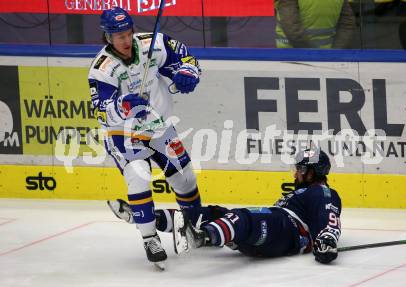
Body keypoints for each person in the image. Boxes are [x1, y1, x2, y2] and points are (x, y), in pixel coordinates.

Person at [87, 7, 202, 269]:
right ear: (107, 37)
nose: (126, 41)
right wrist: (122, 105)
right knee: (138, 175)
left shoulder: (154, 43)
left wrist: (186, 74)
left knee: (185, 178)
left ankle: (195, 227)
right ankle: (150, 238)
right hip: (123, 134)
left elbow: (187, 59)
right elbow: (101, 111)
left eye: (128, 33)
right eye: (119, 37)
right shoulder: (101, 69)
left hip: (159, 127)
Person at [173, 148, 342, 263]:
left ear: (311, 173)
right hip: (275, 232)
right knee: (216, 213)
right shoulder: (307, 191)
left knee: (241, 217)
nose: (296, 174)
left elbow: (330, 219)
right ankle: (160, 219)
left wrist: (327, 240)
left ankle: (202, 237)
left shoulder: (322, 191)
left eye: (300, 169)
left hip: (288, 230)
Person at [275, 0, 355, 49]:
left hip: (292, 52)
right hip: (325, 54)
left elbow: (290, 25)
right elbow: (347, 24)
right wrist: (336, 51)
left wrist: (311, 53)